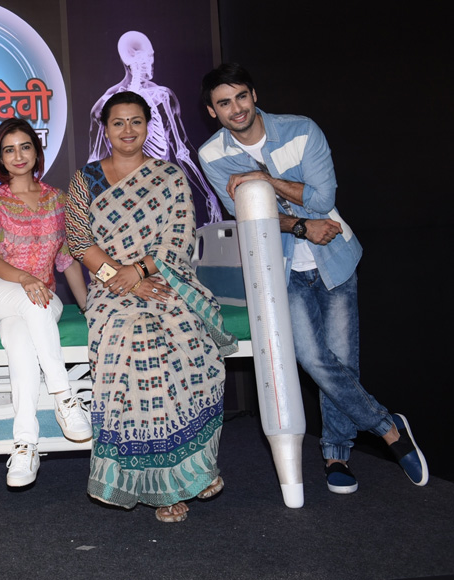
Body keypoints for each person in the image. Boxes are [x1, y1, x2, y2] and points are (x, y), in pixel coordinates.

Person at [198, 63, 428, 493]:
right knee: (311, 359)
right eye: (224, 103)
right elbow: (248, 218)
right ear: (212, 111)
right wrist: (301, 226)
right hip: (278, 267)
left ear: (254, 94)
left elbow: (323, 199)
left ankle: (336, 453)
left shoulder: (302, 130)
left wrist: (265, 179)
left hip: (335, 258)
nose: (236, 108)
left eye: (241, 97)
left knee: (342, 361)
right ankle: (388, 426)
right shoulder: (211, 154)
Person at [65, 91, 237, 521]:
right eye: (119, 122)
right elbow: (79, 241)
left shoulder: (169, 176)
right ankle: (161, 490)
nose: (128, 130)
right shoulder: (85, 179)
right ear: (105, 129)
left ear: (148, 125)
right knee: (135, 343)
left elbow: (180, 236)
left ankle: (194, 471)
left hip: (163, 278)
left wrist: (139, 272)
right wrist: (118, 277)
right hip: (109, 289)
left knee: (193, 346)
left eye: (136, 121)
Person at [0, 117, 90, 487]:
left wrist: (86, 308)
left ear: (37, 152)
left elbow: (67, 261)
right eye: (9, 150)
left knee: (21, 338)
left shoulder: (58, 200)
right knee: (30, 301)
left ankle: (24, 445)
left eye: (25, 147)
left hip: (39, 298)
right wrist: (26, 278)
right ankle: (65, 398)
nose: (18, 156)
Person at [87, 31, 222, 225]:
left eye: (152, 56)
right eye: (147, 57)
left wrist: (210, 195)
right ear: (132, 58)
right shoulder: (104, 105)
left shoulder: (162, 97)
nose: (152, 61)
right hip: (119, 199)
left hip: (160, 192)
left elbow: (182, 150)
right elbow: (95, 161)